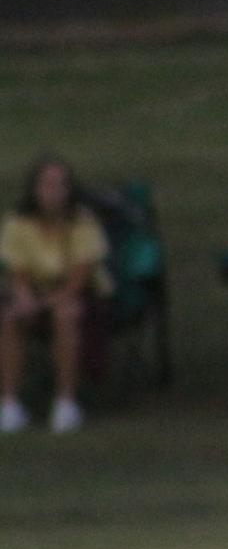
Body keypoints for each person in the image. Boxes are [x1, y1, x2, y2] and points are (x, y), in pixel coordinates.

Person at [0, 155, 110, 434]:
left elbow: (78, 280)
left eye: (60, 185)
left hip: (78, 296)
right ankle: (10, 404)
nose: (53, 192)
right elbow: (18, 272)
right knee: (9, 317)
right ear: (34, 189)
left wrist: (39, 305)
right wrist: (25, 298)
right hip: (36, 294)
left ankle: (65, 402)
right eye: (47, 185)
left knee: (66, 315)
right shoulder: (16, 224)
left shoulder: (82, 223)